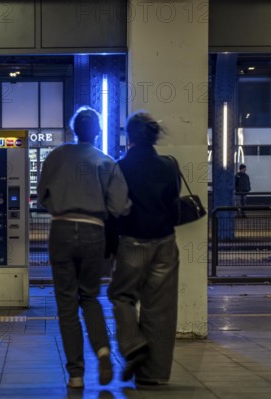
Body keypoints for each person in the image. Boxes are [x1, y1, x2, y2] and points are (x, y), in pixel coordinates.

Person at [38, 106, 131, 389]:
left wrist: (59, 205)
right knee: (90, 297)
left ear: (73, 130)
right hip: (94, 231)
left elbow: (42, 195)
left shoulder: (56, 157)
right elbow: (120, 206)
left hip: (62, 229)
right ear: (98, 132)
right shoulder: (106, 162)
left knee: (67, 305)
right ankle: (103, 351)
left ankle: (76, 374)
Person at [108, 112, 181, 386]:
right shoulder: (168, 166)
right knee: (161, 309)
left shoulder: (120, 167)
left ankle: (134, 345)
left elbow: (114, 210)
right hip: (165, 241)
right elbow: (173, 202)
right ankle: (155, 375)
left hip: (132, 241)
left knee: (121, 296)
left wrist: (110, 245)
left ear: (129, 136)